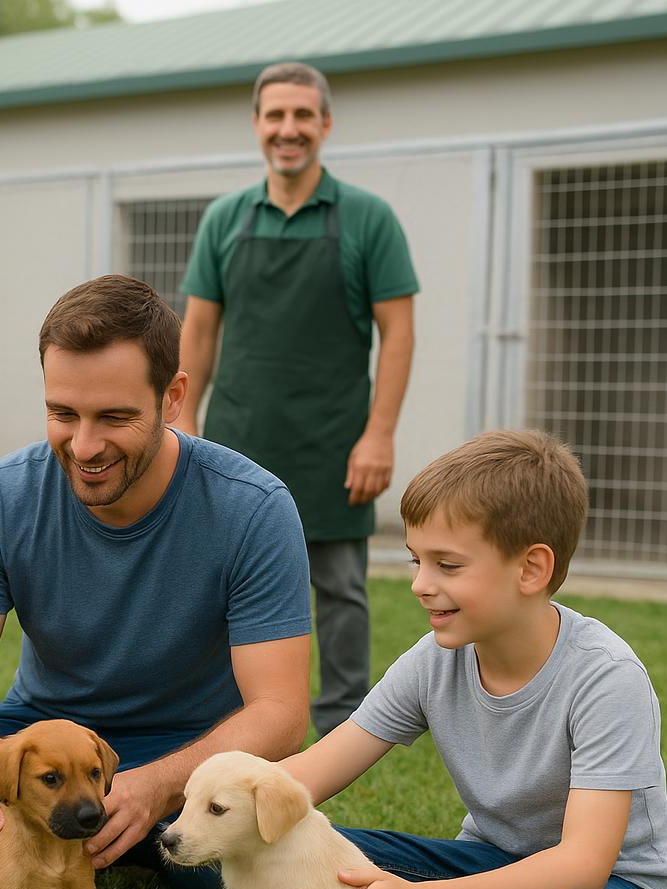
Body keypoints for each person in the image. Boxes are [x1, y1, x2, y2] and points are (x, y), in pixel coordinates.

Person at [0, 274, 312, 889]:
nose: (83, 446)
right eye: (64, 414)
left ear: (172, 397)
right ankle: (109, 844)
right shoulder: (1, 497)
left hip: (193, 757)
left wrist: (157, 787)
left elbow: (280, 712)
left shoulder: (254, 509)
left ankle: (138, 844)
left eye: (113, 417)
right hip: (46, 749)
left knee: (229, 874)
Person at [282, 430, 667, 889]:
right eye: (417, 560)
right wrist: (211, 807)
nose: (420, 583)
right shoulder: (433, 659)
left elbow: (583, 863)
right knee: (275, 853)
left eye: (447, 564)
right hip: (484, 864)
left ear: (531, 568)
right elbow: (307, 778)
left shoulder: (606, 677)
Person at [176, 61, 420, 737]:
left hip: (334, 442)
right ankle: (223, 710)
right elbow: (197, 329)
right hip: (234, 440)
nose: (289, 130)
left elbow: (397, 334)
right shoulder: (225, 219)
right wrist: (186, 421)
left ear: (325, 124)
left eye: (302, 116)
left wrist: (379, 435)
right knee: (220, 587)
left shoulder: (369, 218)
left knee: (340, 590)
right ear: (257, 125)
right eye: (276, 116)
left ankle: (347, 723)